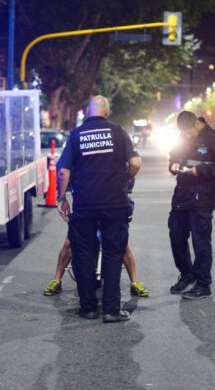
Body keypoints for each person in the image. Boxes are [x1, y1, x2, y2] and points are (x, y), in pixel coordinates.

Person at [56, 95, 141, 322]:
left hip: (84, 203)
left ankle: (89, 308)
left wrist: (61, 197)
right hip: (115, 202)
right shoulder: (118, 132)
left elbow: (64, 171)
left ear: (87, 112)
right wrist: (122, 180)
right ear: (107, 111)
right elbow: (135, 163)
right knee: (114, 253)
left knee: (84, 254)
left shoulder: (76, 135)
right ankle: (112, 310)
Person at [168, 112, 215, 299]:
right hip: (182, 195)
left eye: (189, 132)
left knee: (200, 242)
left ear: (197, 123)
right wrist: (173, 163)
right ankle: (186, 273)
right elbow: (175, 152)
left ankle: (203, 284)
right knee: (176, 236)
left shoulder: (214, 138)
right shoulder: (183, 135)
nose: (187, 136)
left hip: (202, 198)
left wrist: (201, 170)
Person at [43, 240, 150, 297]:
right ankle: (56, 280)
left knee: (124, 244)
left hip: (109, 219)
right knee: (69, 243)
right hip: (87, 218)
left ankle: (134, 283)